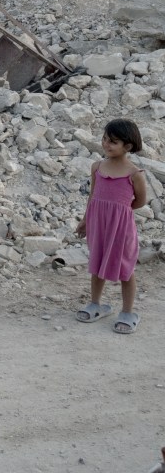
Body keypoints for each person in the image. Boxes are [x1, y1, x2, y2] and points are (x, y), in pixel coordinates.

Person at [74, 119, 147, 334]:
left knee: (125, 268)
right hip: (99, 225)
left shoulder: (135, 174)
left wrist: (121, 211)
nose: (106, 144)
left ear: (128, 146)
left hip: (122, 229)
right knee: (97, 262)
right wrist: (86, 220)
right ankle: (96, 304)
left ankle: (127, 312)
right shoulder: (97, 167)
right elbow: (93, 196)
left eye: (113, 141)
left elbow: (140, 201)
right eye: (105, 138)